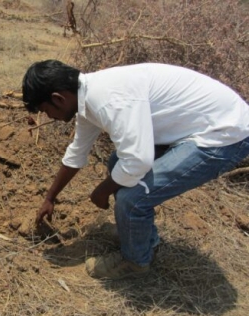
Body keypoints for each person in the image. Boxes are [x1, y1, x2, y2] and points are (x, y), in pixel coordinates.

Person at [22, 60, 249, 280]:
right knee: (116, 164)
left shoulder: (108, 100)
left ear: (58, 99)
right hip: (197, 126)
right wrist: (50, 197)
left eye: (45, 110)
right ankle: (141, 237)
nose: (49, 117)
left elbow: (138, 161)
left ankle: (136, 261)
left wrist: (101, 190)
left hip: (223, 132)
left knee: (133, 197)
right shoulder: (87, 97)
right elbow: (77, 152)